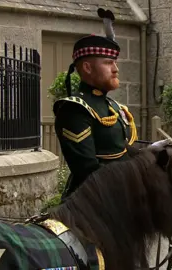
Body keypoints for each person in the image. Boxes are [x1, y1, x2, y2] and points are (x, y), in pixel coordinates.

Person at [53, 9, 138, 200]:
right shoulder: (75, 109)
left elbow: (121, 152)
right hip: (91, 206)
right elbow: (87, 170)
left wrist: (151, 155)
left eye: (115, 63)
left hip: (120, 198)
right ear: (87, 67)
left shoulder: (113, 107)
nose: (116, 69)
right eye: (108, 63)